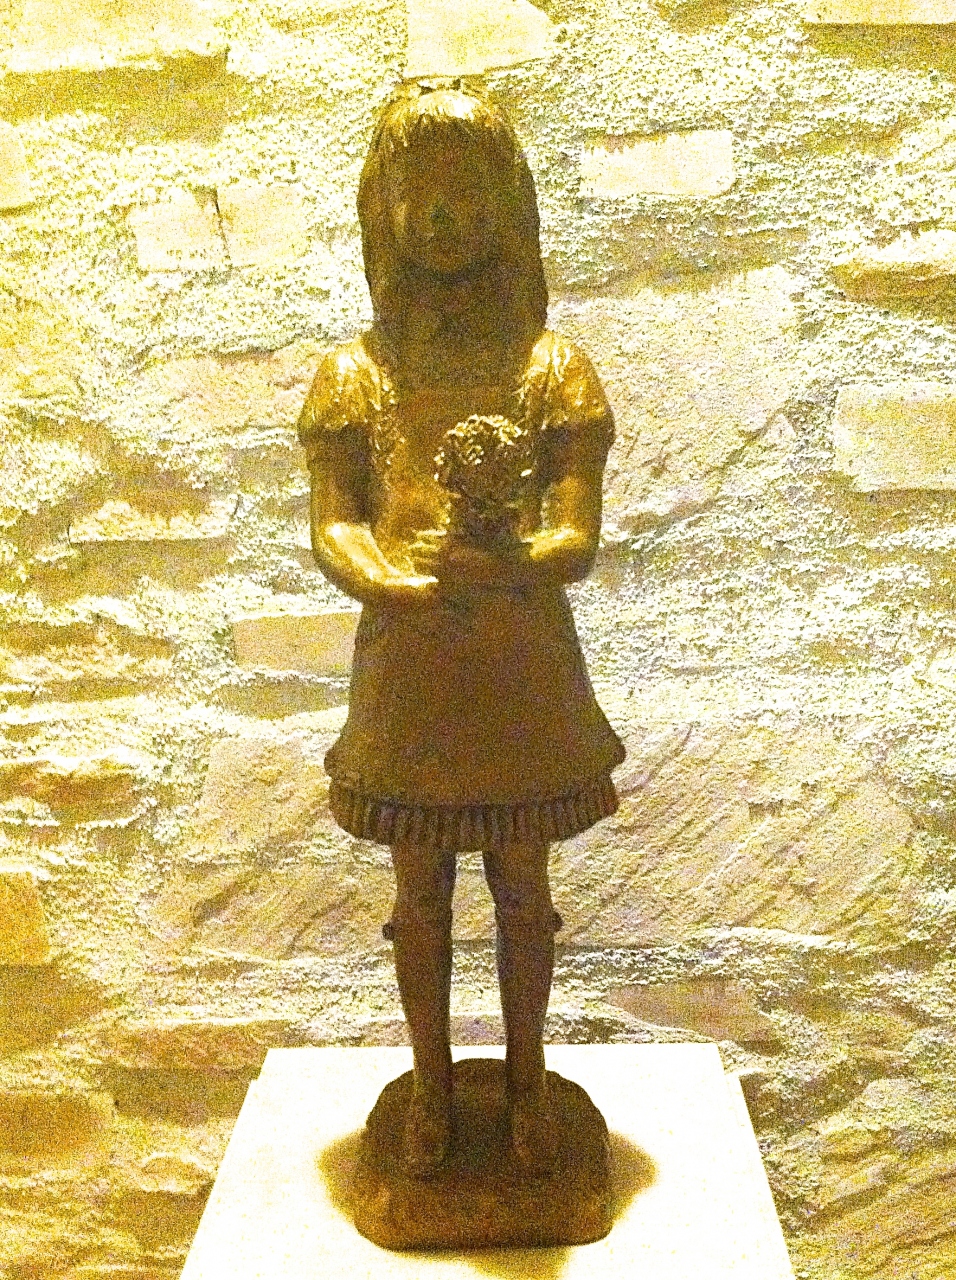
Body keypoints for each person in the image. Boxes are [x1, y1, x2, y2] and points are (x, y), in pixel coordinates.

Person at [297, 80, 625, 1177]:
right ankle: (432, 1091)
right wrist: (388, 580)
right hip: (411, 667)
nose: (441, 217)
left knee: (523, 888)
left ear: (508, 210)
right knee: (420, 894)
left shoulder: (551, 369)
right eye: (419, 194)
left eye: (465, 193)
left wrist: (507, 559)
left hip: (518, 666)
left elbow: (574, 533)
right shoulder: (354, 375)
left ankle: (528, 1087)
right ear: (381, 211)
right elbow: (335, 522)